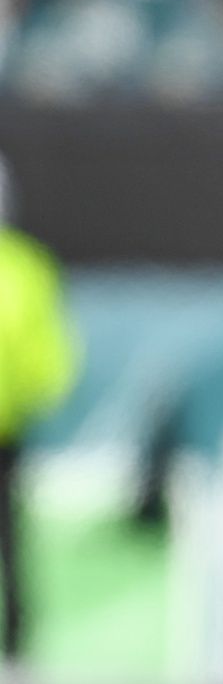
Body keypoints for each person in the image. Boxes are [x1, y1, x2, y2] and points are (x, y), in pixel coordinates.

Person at [0, 155, 78, 675]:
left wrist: (34, 394)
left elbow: (48, 355)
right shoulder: (28, 266)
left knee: (10, 536)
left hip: (7, 428)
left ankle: (19, 641)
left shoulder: (28, 267)